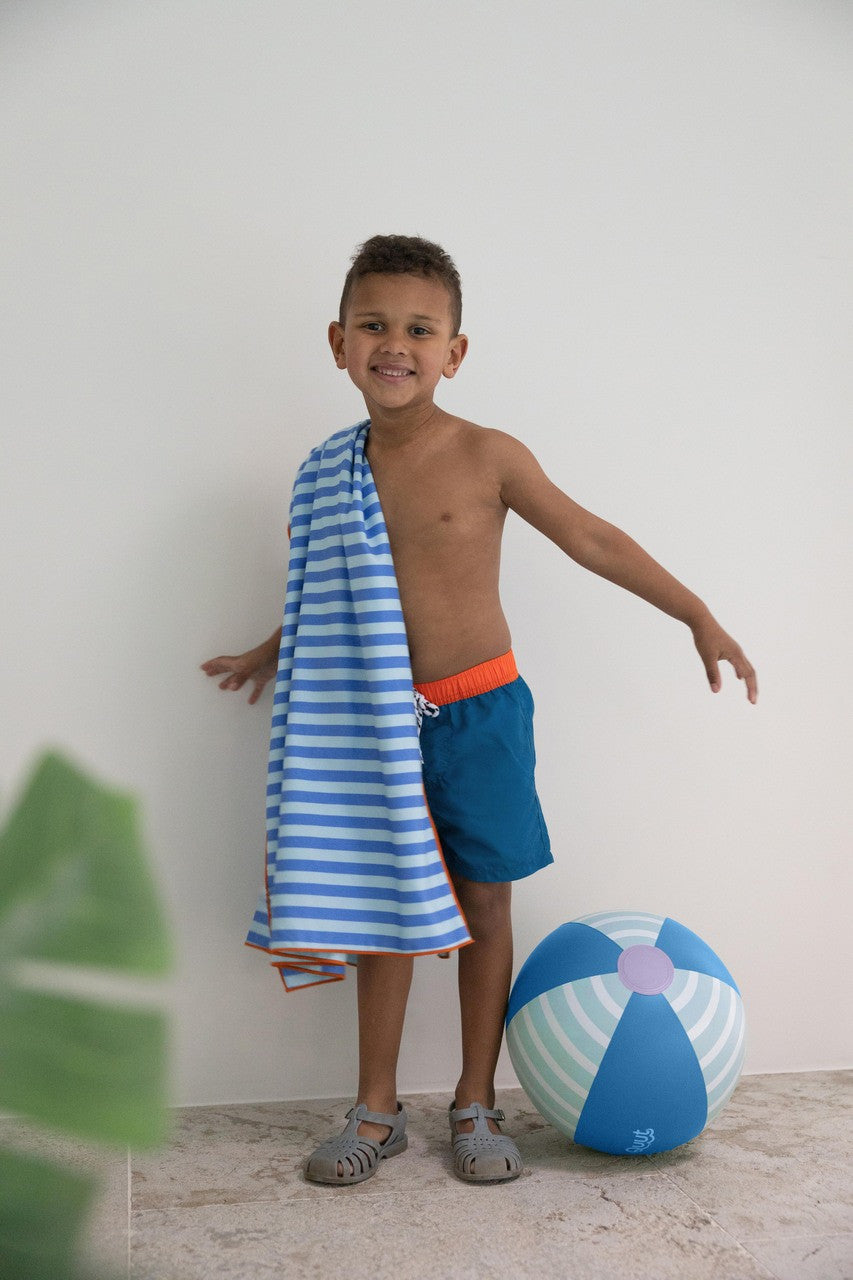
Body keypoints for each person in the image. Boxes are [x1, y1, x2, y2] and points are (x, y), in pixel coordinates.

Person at [201, 234, 757, 1186]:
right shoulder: (328, 471)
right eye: (374, 325)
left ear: (453, 353)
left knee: (485, 903)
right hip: (372, 725)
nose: (395, 345)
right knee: (383, 907)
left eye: (420, 330)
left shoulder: (486, 454)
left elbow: (589, 537)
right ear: (338, 342)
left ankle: (473, 1100)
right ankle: (376, 1109)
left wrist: (694, 613)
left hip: (481, 716)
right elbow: (332, 597)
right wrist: (269, 650)